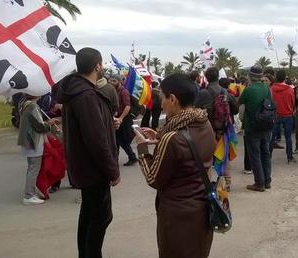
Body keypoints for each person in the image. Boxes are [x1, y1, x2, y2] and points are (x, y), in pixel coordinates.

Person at [134, 73, 216, 258]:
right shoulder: (203, 122)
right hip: (202, 212)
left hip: (177, 217)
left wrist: (142, 147)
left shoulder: (173, 138)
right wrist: (159, 137)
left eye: (162, 97)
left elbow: (153, 178)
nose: (160, 102)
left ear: (173, 99)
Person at [57, 47, 120, 257]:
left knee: (89, 216)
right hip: (93, 170)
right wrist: (113, 171)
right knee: (100, 218)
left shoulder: (78, 91)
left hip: (85, 168)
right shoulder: (86, 95)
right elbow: (96, 140)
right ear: (98, 66)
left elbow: (91, 129)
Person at [239, 66, 273, 192]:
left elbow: (240, 102)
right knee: (265, 153)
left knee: (255, 155)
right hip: (266, 124)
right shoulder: (266, 88)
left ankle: (259, 183)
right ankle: (267, 180)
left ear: (249, 76)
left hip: (252, 126)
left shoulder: (248, 90)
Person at [17, 94, 55, 205]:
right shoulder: (32, 107)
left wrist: (46, 124)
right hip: (33, 140)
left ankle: (30, 193)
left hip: (29, 140)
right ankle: (29, 195)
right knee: (33, 169)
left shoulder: (24, 104)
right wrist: (49, 125)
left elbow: (35, 123)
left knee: (31, 168)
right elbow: (39, 126)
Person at [110, 74, 138, 166]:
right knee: (116, 139)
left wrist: (121, 118)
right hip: (117, 118)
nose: (112, 82)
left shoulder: (123, 92)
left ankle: (132, 157)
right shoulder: (114, 91)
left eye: (114, 81)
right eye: (111, 80)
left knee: (122, 140)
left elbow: (127, 106)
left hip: (124, 119)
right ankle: (115, 159)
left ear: (119, 81)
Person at [270, 69, 296, 163]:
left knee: (272, 136)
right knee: (288, 137)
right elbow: (293, 102)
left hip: (275, 114)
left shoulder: (272, 88)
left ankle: (268, 156)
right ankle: (290, 157)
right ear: (285, 78)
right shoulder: (290, 89)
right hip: (288, 115)